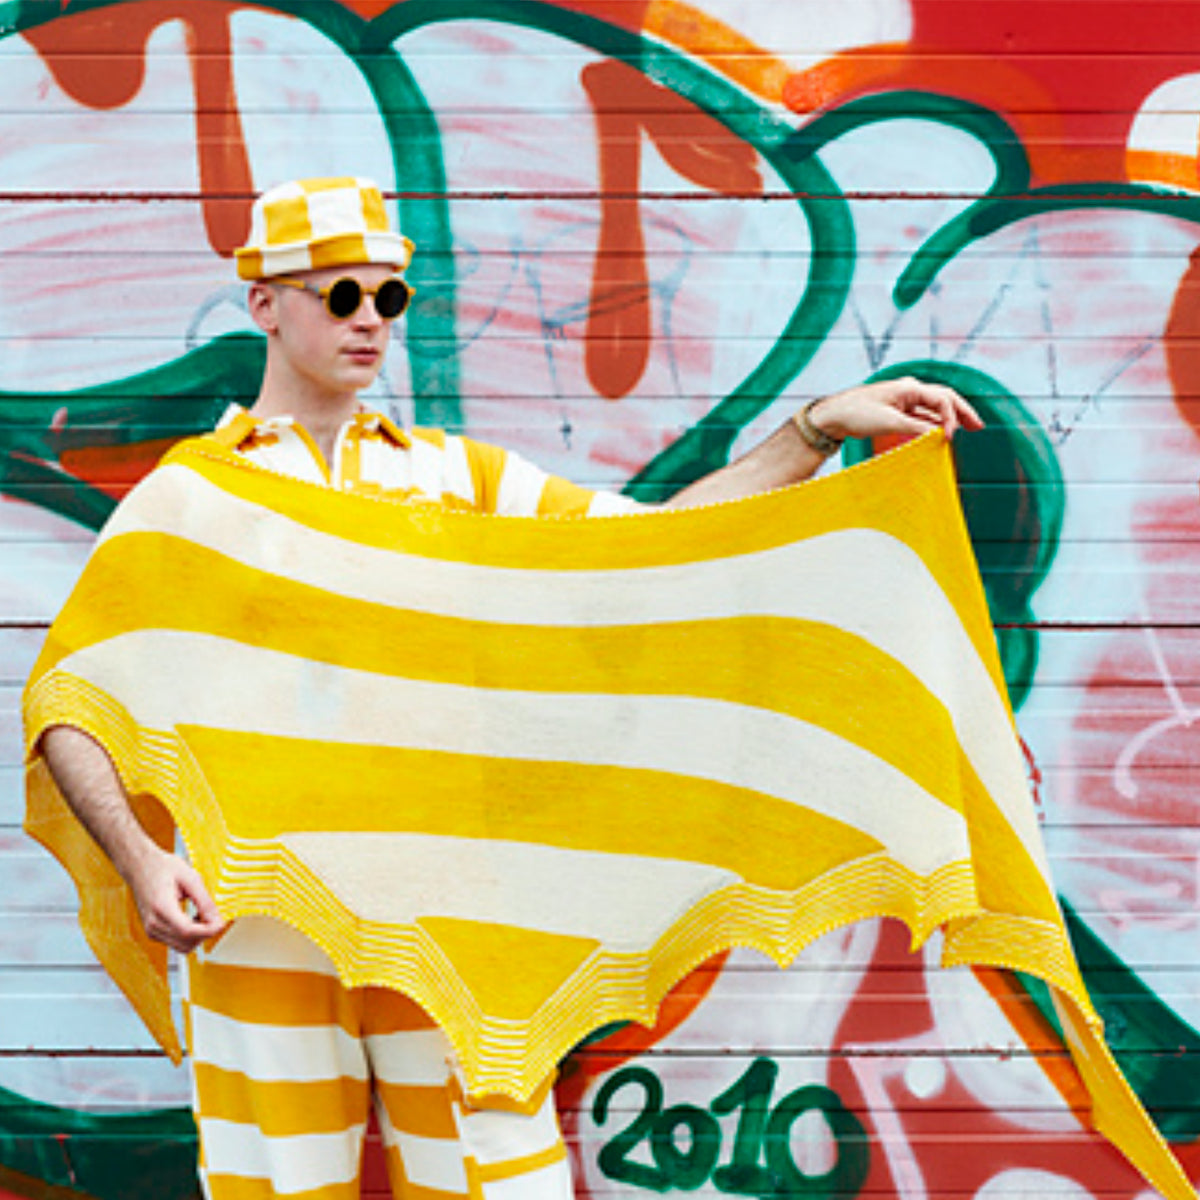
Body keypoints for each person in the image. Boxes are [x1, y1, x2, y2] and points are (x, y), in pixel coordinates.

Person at [36, 176, 981, 1199]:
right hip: (262, 916)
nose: (370, 319)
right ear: (264, 303)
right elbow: (70, 699)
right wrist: (139, 859)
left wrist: (816, 429)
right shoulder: (195, 497)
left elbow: (650, 545)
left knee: (501, 1181)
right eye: (340, 294)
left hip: (455, 913)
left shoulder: (459, 480)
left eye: (389, 297)